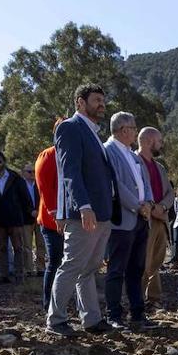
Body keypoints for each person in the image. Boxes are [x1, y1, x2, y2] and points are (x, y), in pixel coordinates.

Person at [47, 83, 118, 337]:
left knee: (89, 269)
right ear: (80, 102)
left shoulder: (93, 133)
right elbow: (70, 172)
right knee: (72, 265)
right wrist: (84, 206)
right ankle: (56, 320)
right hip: (83, 214)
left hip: (102, 213)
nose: (102, 104)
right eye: (96, 99)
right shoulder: (70, 127)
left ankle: (91, 320)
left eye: (103, 100)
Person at [102, 112, 154, 330]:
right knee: (116, 270)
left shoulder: (133, 154)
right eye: (133, 128)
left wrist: (149, 202)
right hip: (122, 220)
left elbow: (145, 181)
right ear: (123, 130)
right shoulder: (108, 151)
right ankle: (114, 315)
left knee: (137, 268)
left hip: (141, 220)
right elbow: (115, 185)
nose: (135, 131)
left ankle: (138, 313)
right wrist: (138, 205)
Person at [136, 126, 174, 310]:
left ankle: (153, 298)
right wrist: (151, 208)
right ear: (149, 141)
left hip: (161, 219)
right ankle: (136, 301)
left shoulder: (160, 167)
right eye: (159, 141)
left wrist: (163, 207)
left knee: (156, 261)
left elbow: (170, 192)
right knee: (143, 261)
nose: (161, 145)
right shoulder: (134, 162)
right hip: (144, 220)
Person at [0, 150, 34, 283]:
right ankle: (4, 275)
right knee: (2, 248)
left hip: (15, 219)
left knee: (18, 247)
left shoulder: (15, 178)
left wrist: (30, 211)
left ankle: (19, 275)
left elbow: (25, 198)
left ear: (4, 160)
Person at [34, 118, 65, 313]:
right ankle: (49, 305)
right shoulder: (48, 155)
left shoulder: (69, 155)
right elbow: (45, 189)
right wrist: (56, 216)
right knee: (54, 262)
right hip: (51, 221)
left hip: (69, 220)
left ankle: (61, 302)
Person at [21, 163, 43, 275]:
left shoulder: (39, 184)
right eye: (29, 172)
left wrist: (39, 211)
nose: (32, 174)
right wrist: (30, 211)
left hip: (39, 218)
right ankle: (29, 269)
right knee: (27, 245)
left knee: (41, 244)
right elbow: (20, 202)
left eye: (33, 171)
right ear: (23, 173)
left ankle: (41, 268)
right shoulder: (20, 186)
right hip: (26, 219)